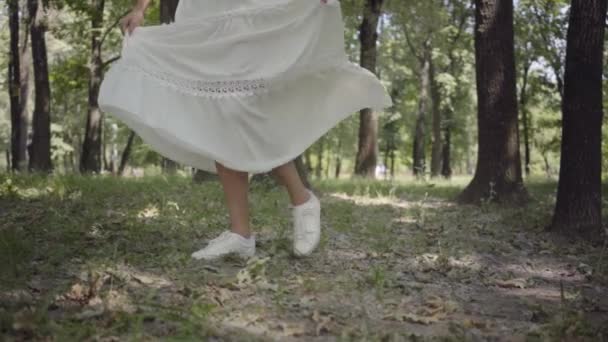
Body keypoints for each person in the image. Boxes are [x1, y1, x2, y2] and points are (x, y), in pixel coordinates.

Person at [98, 0, 392, 260]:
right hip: (203, 15)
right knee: (219, 110)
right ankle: (242, 232)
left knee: (240, 108)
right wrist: (140, 8)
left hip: (250, 11)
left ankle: (300, 199)